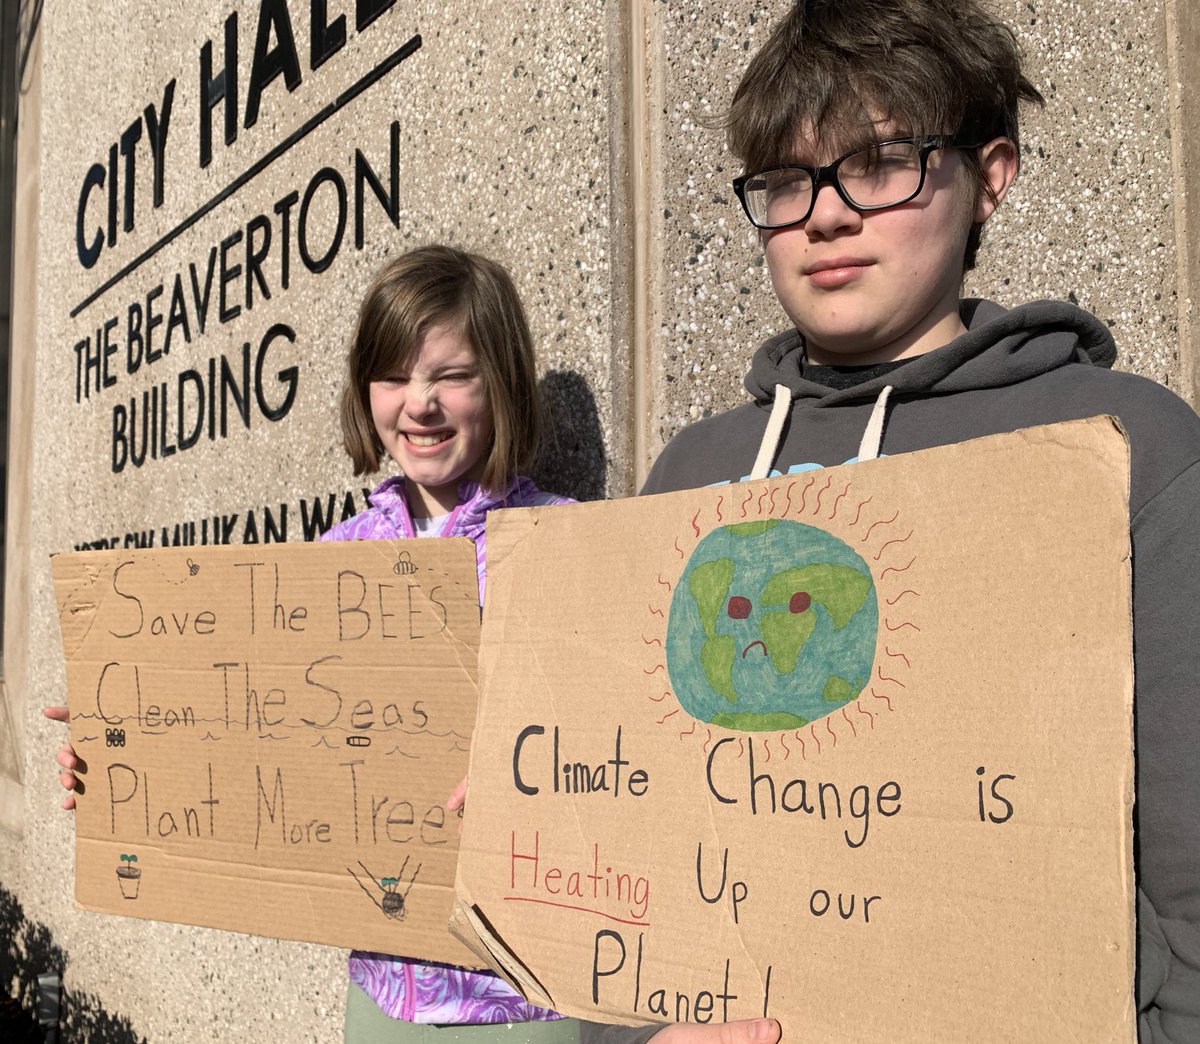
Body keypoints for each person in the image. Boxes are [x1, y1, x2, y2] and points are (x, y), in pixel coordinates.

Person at [588, 0, 1200, 1041]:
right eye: (786, 182)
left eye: (878, 163)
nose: (824, 216)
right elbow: (635, 830)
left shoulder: (1120, 444)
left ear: (990, 175)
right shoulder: (692, 472)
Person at [48, 243, 580, 1043]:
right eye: (395, 377)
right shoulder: (336, 557)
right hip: (377, 986)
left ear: (502, 380)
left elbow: (618, 766)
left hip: (521, 997)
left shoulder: (565, 544)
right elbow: (242, 734)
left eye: (453, 375)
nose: (420, 404)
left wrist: (530, 779)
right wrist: (126, 756)